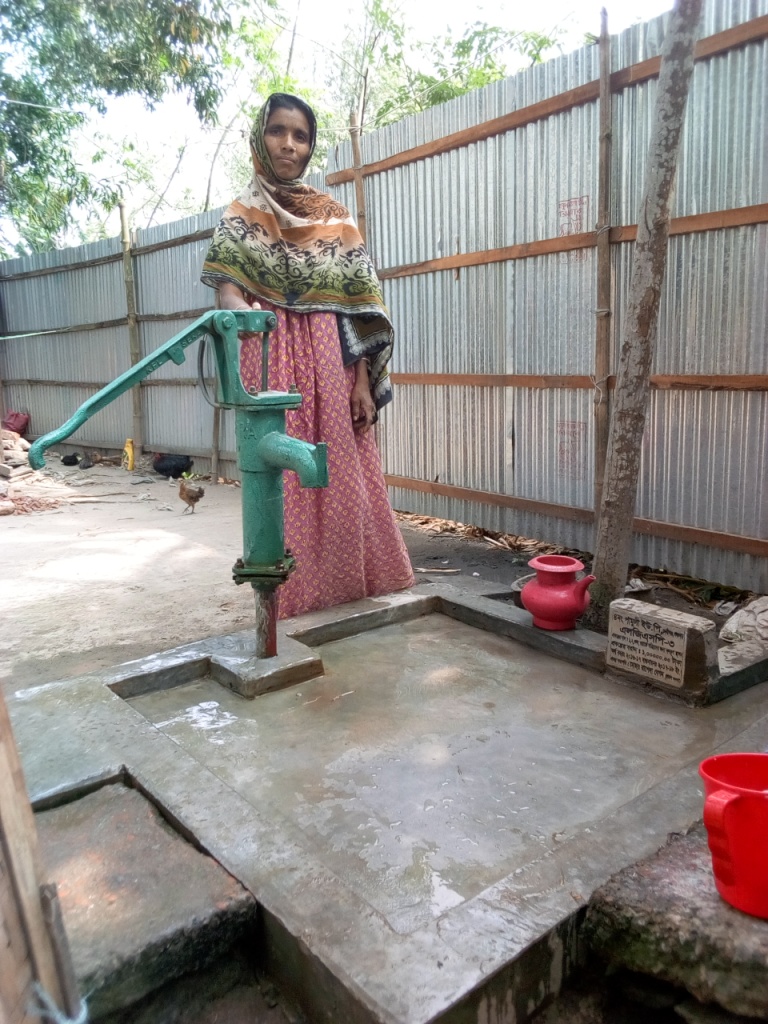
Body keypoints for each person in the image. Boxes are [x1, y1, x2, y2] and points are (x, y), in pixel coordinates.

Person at [201, 92, 414, 618]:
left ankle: (352, 587)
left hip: (329, 358)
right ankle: (291, 600)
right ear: (260, 137)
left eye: (300, 136)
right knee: (282, 479)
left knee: (342, 475)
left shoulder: (334, 219)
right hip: (271, 354)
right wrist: (246, 313)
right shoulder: (241, 216)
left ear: (310, 146)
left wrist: (361, 383)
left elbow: (359, 309)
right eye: (278, 131)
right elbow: (226, 291)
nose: (288, 144)